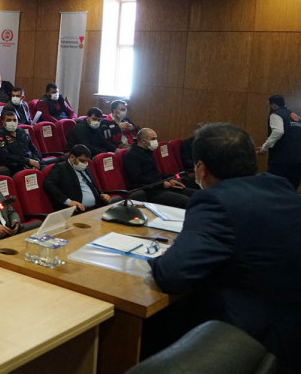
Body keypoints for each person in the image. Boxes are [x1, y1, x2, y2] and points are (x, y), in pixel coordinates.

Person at [148, 123, 301, 371]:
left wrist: (159, 257)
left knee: (161, 324)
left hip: (259, 340)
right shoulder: (279, 185)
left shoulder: (215, 200)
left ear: (200, 168)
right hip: (291, 322)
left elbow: (172, 275)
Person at [123, 128, 192, 208]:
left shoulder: (148, 152)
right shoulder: (131, 155)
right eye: (153, 139)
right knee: (186, 201)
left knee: (193, 194)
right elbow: (137, 179)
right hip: (149, 191)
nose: (156, 141)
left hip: (159, 186)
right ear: (143, 141)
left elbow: (155, 173)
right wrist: (161, 184)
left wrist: (169, 179)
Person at [44, 144, 112, 212]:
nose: (85, 163)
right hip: (77, 211)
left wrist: (101, 195)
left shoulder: (86, 167)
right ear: (72, 157)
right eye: (82, 161)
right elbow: (48, 184)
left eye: (87, 161)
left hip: (97, 207)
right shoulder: (61, 168)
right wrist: (69, 202)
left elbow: (92, 186)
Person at [257, 94, 301, 189]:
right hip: (298, 160)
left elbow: (278, 131)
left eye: (268, 106)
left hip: (281, 160)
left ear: (273, 105)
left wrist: (264, 148)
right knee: (291, 189)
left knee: (273, 188)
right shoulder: (296, 117)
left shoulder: (276, 114)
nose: (268, 109)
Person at [0, 108, 42, 175]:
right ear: (3, 122)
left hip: (32, 162)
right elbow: (5, 156)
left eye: (14, 120)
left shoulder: (21, 132)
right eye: (9, 120)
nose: (12, 122)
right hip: (16, 166)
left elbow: (33, 149)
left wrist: (36, 160)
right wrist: (28, 161)